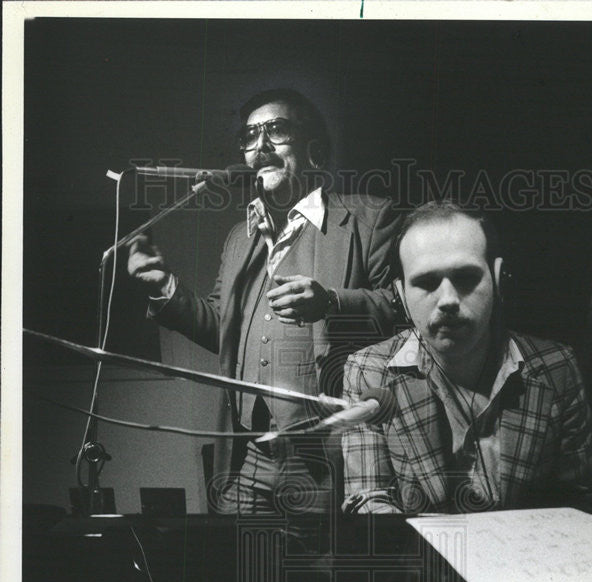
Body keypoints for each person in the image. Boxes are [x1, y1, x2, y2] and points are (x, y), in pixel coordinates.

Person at [127, 88, 399, 514]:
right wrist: (164, 286)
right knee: (242, 573)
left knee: (322, 578)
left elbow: (404, 311)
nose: (261, 146)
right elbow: (224, 329)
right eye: (251, 136)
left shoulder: (370, 218)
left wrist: (331, 302)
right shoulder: (241, 237)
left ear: (315, 152)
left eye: (277, 130)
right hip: (250, 460)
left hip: (331, 459)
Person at [342, 201, 592, 514]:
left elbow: (576, 503)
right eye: (426, 282)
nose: (448, 300)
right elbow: (368, 497)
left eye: (465, 278)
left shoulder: (557, 368)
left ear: (499, 279)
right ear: (403, 298)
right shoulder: (368, 372)